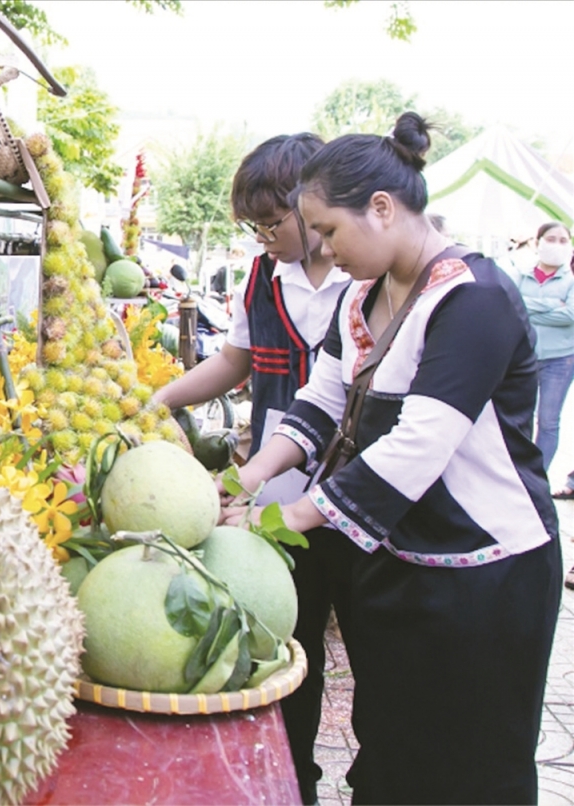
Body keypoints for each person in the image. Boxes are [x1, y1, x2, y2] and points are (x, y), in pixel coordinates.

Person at [223, 112, 560, 804]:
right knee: (392, 751)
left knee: (471, 765)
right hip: (397, 562)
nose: (322, 248)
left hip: (485, 578)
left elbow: (415, 449)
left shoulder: (474, 300)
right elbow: (321, 403)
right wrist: (246, 478)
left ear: (381, 208)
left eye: (328, 231)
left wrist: (282, 519)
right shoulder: (361, 296)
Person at [152, 132, 354, 806]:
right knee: (290, 643)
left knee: (368, 643)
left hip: (359, 492)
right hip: (276, 489)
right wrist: (159, 399)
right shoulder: (263, 279)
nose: (265, 239)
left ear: (315, 206)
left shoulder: (367, 274)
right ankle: (297, 782)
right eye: (255, 228)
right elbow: (234, 362)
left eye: (274, 223)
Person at [517, 222, 574, 487]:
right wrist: (551, 305)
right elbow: (511, 304)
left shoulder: (570, 280)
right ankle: (516, 471)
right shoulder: (521, 275)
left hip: (560, 359)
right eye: (551, 239)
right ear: (537, 242)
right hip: (523, 356)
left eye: (563, 240)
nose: (557, 245)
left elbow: (570, 315)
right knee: (520, 416)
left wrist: (527, 308)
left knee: (549, 420)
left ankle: (536, 477)